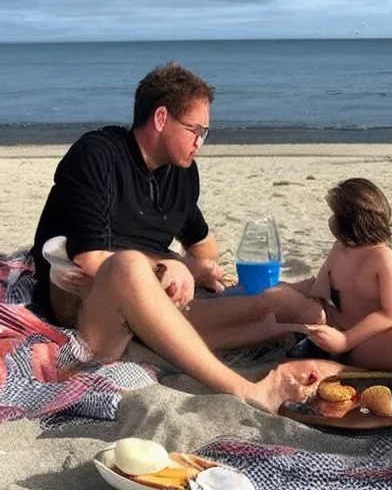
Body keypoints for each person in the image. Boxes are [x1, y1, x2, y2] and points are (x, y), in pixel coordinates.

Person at [29, 62, 319, 413]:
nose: (200, 142)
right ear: (161, 118)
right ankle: (247, 391)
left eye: (205, 133)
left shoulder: (180, 173)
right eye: (194, 129)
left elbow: (204, 245)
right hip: (85, 304)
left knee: (284, 303)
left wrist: (196, 268)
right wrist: (171, 263)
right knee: (129, 266)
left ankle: (311, 325)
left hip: (153, 301)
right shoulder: (99, 155)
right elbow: (90, 260)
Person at [280, 178, 392, 370]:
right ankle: (327, 351)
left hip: (368, 339)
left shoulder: (382, 257)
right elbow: (319, 290)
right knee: (290, 303)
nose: (331, 221)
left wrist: (346, 340)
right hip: (335, 327)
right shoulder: (340, 248)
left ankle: (348, 359)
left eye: (335, 215)